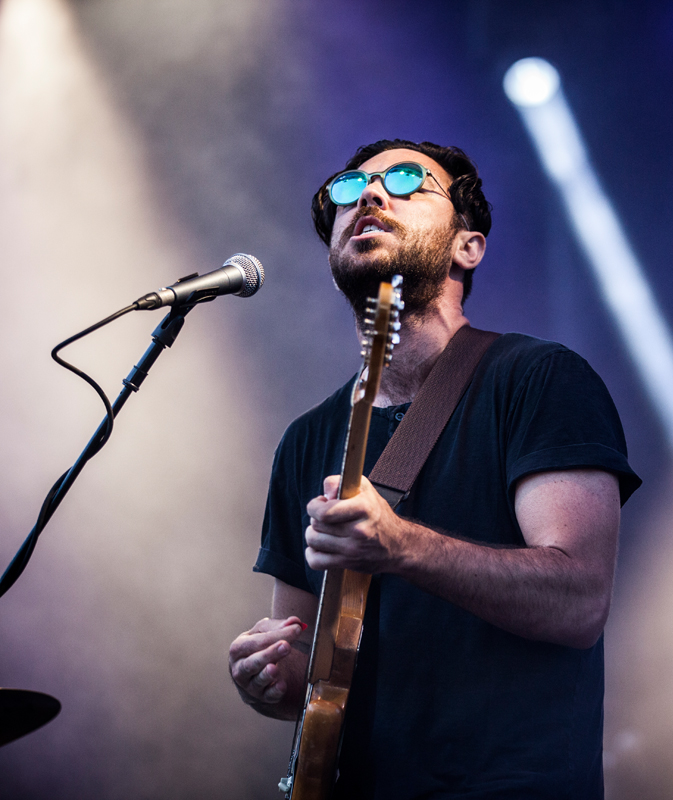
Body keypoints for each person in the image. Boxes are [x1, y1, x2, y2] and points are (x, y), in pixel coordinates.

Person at [227, 139, 640, 799]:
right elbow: (310, 670)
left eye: (406, 180)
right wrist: (269, 676)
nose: (367, 195)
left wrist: (401, 545)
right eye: (348, 188)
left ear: (467, 247)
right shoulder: (306, 439)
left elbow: (579, 603)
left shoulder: (540, 380)